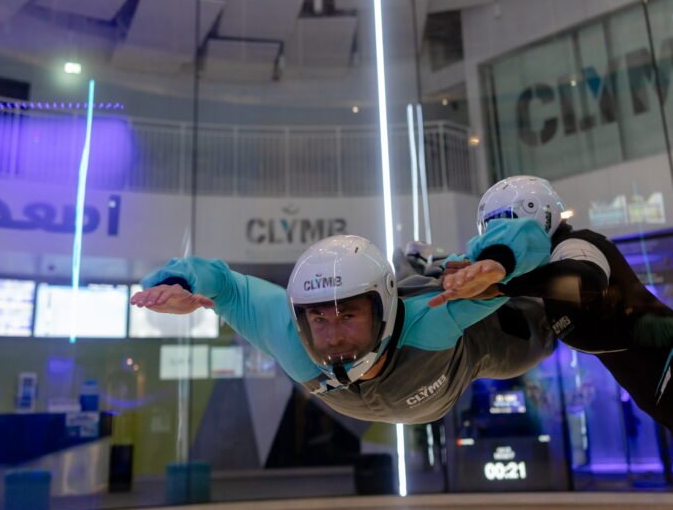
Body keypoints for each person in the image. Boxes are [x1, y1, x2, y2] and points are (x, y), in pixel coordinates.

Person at [131, 225, 555, 425]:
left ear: (381, 311)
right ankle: (418, 263)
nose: (332, 336)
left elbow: (528, 244)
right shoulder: (291, 336)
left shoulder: (433, 318)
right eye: (318, 317)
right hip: (422, 368)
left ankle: (432, 267)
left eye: (349, 315)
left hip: (471, 351)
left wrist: (498, 262)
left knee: (544, 331)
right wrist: (176, 282)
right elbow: (225, 287)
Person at [428, 175, 673, 431]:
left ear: (536, 213)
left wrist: (503, 286)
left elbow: (585, 281)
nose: (502, 238)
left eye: (505, 226)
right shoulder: (547, 276)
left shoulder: (575, 244)